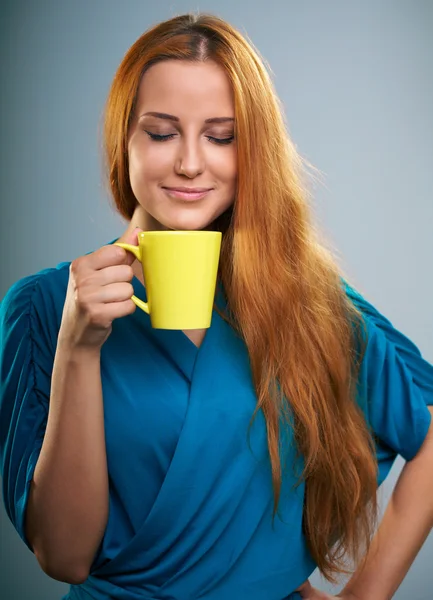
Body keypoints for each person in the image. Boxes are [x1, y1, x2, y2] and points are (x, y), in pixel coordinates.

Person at [0, 12, 432, 600]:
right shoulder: (43, 307)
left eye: (221, 136)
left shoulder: (309, 301)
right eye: (160, 132)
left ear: (252, 150)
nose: (189, 163)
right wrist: (76, 348)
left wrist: (366, 593)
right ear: (122, 139)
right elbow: (64, 556)